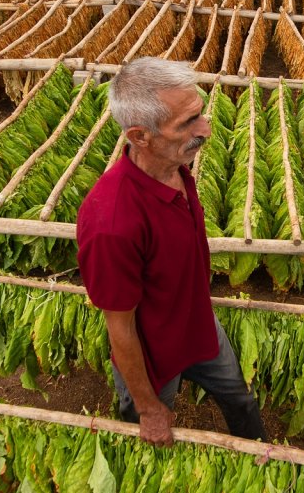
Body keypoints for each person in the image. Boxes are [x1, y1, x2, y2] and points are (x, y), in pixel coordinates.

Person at [76, 57, 268, 446]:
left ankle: (259, 453)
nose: (206, 130)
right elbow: (121, 328)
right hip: (153, 357)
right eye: (187, 124)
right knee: (148, 436)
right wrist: (149, 409)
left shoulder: (176, 167)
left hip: (199, 325)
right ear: (140, 136)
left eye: (199, 114)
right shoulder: (112, 223)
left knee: (240, 400)